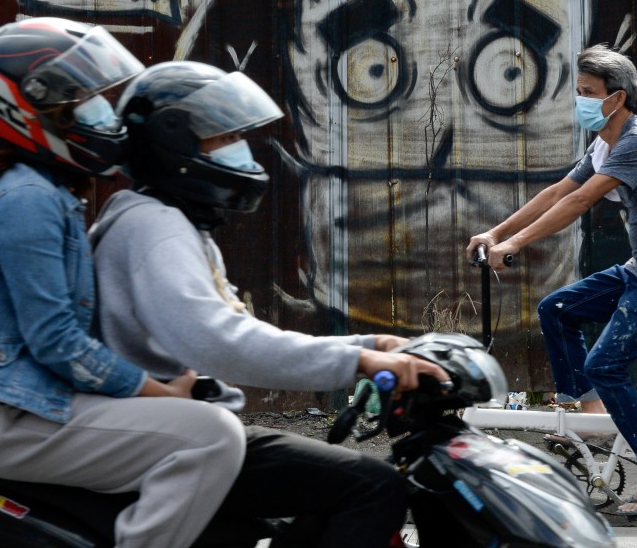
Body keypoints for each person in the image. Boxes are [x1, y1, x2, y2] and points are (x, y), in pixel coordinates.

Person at [0, 18, 246, 548]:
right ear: (27, 111)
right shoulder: (26, 200)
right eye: (81, 100)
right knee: (209, 438)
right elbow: (58, 341)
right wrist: (162, 394)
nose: (98, 111)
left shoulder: (41, 190)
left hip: (14, 402)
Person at [90, 60, 452, 547]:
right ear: (172, 142)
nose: (238, 148)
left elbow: (235, 332)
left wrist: (369, 343)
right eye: (221, 137)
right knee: (371, 486)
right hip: (171, 433)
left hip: (179, 425)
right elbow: (219, 341)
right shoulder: (155, 228)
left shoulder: (163, 221)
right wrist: (358, 358)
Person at [465, 44, 637, 517]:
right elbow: (560, 190)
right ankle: (592, 416)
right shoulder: (605, 143)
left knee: (607, 366)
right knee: (557, 309)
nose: (580, 101)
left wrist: (516, 245)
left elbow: (580, 203)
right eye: (578, 92)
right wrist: (497, 231)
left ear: (616, 99)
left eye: (588, 93)